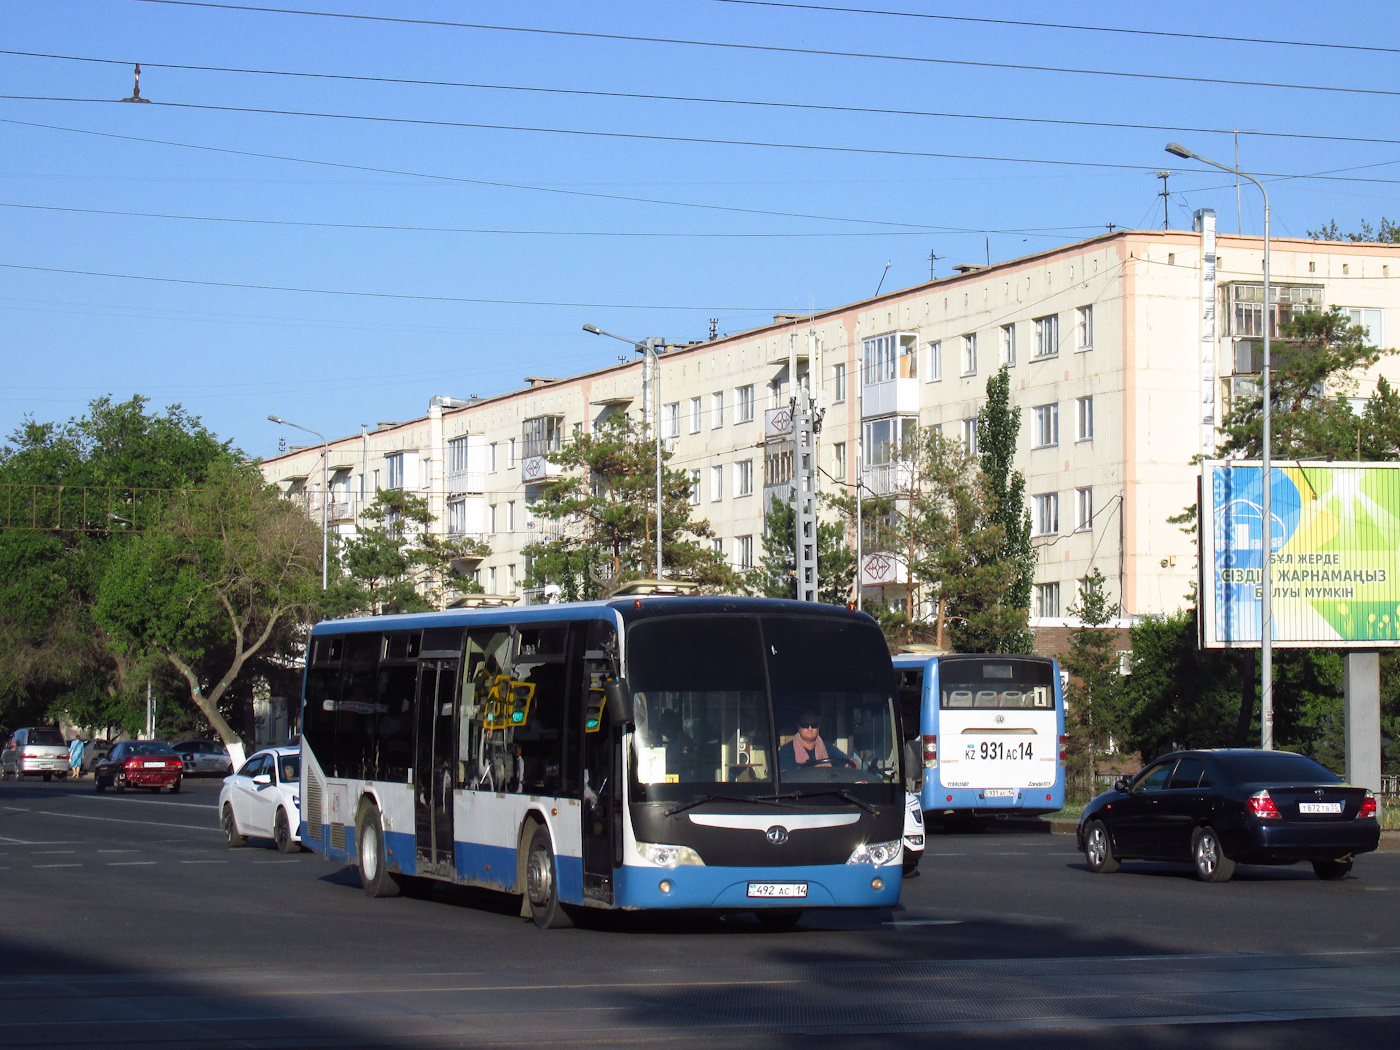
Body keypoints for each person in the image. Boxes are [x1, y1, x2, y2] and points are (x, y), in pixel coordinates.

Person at [779, 711, 854, 770]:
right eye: (805, 725)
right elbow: (787, 777)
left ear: (819, 726)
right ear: (798, 726)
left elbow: (852, 762)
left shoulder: (827, 747)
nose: (810, 729)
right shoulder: (787, 750)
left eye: (814, 725)